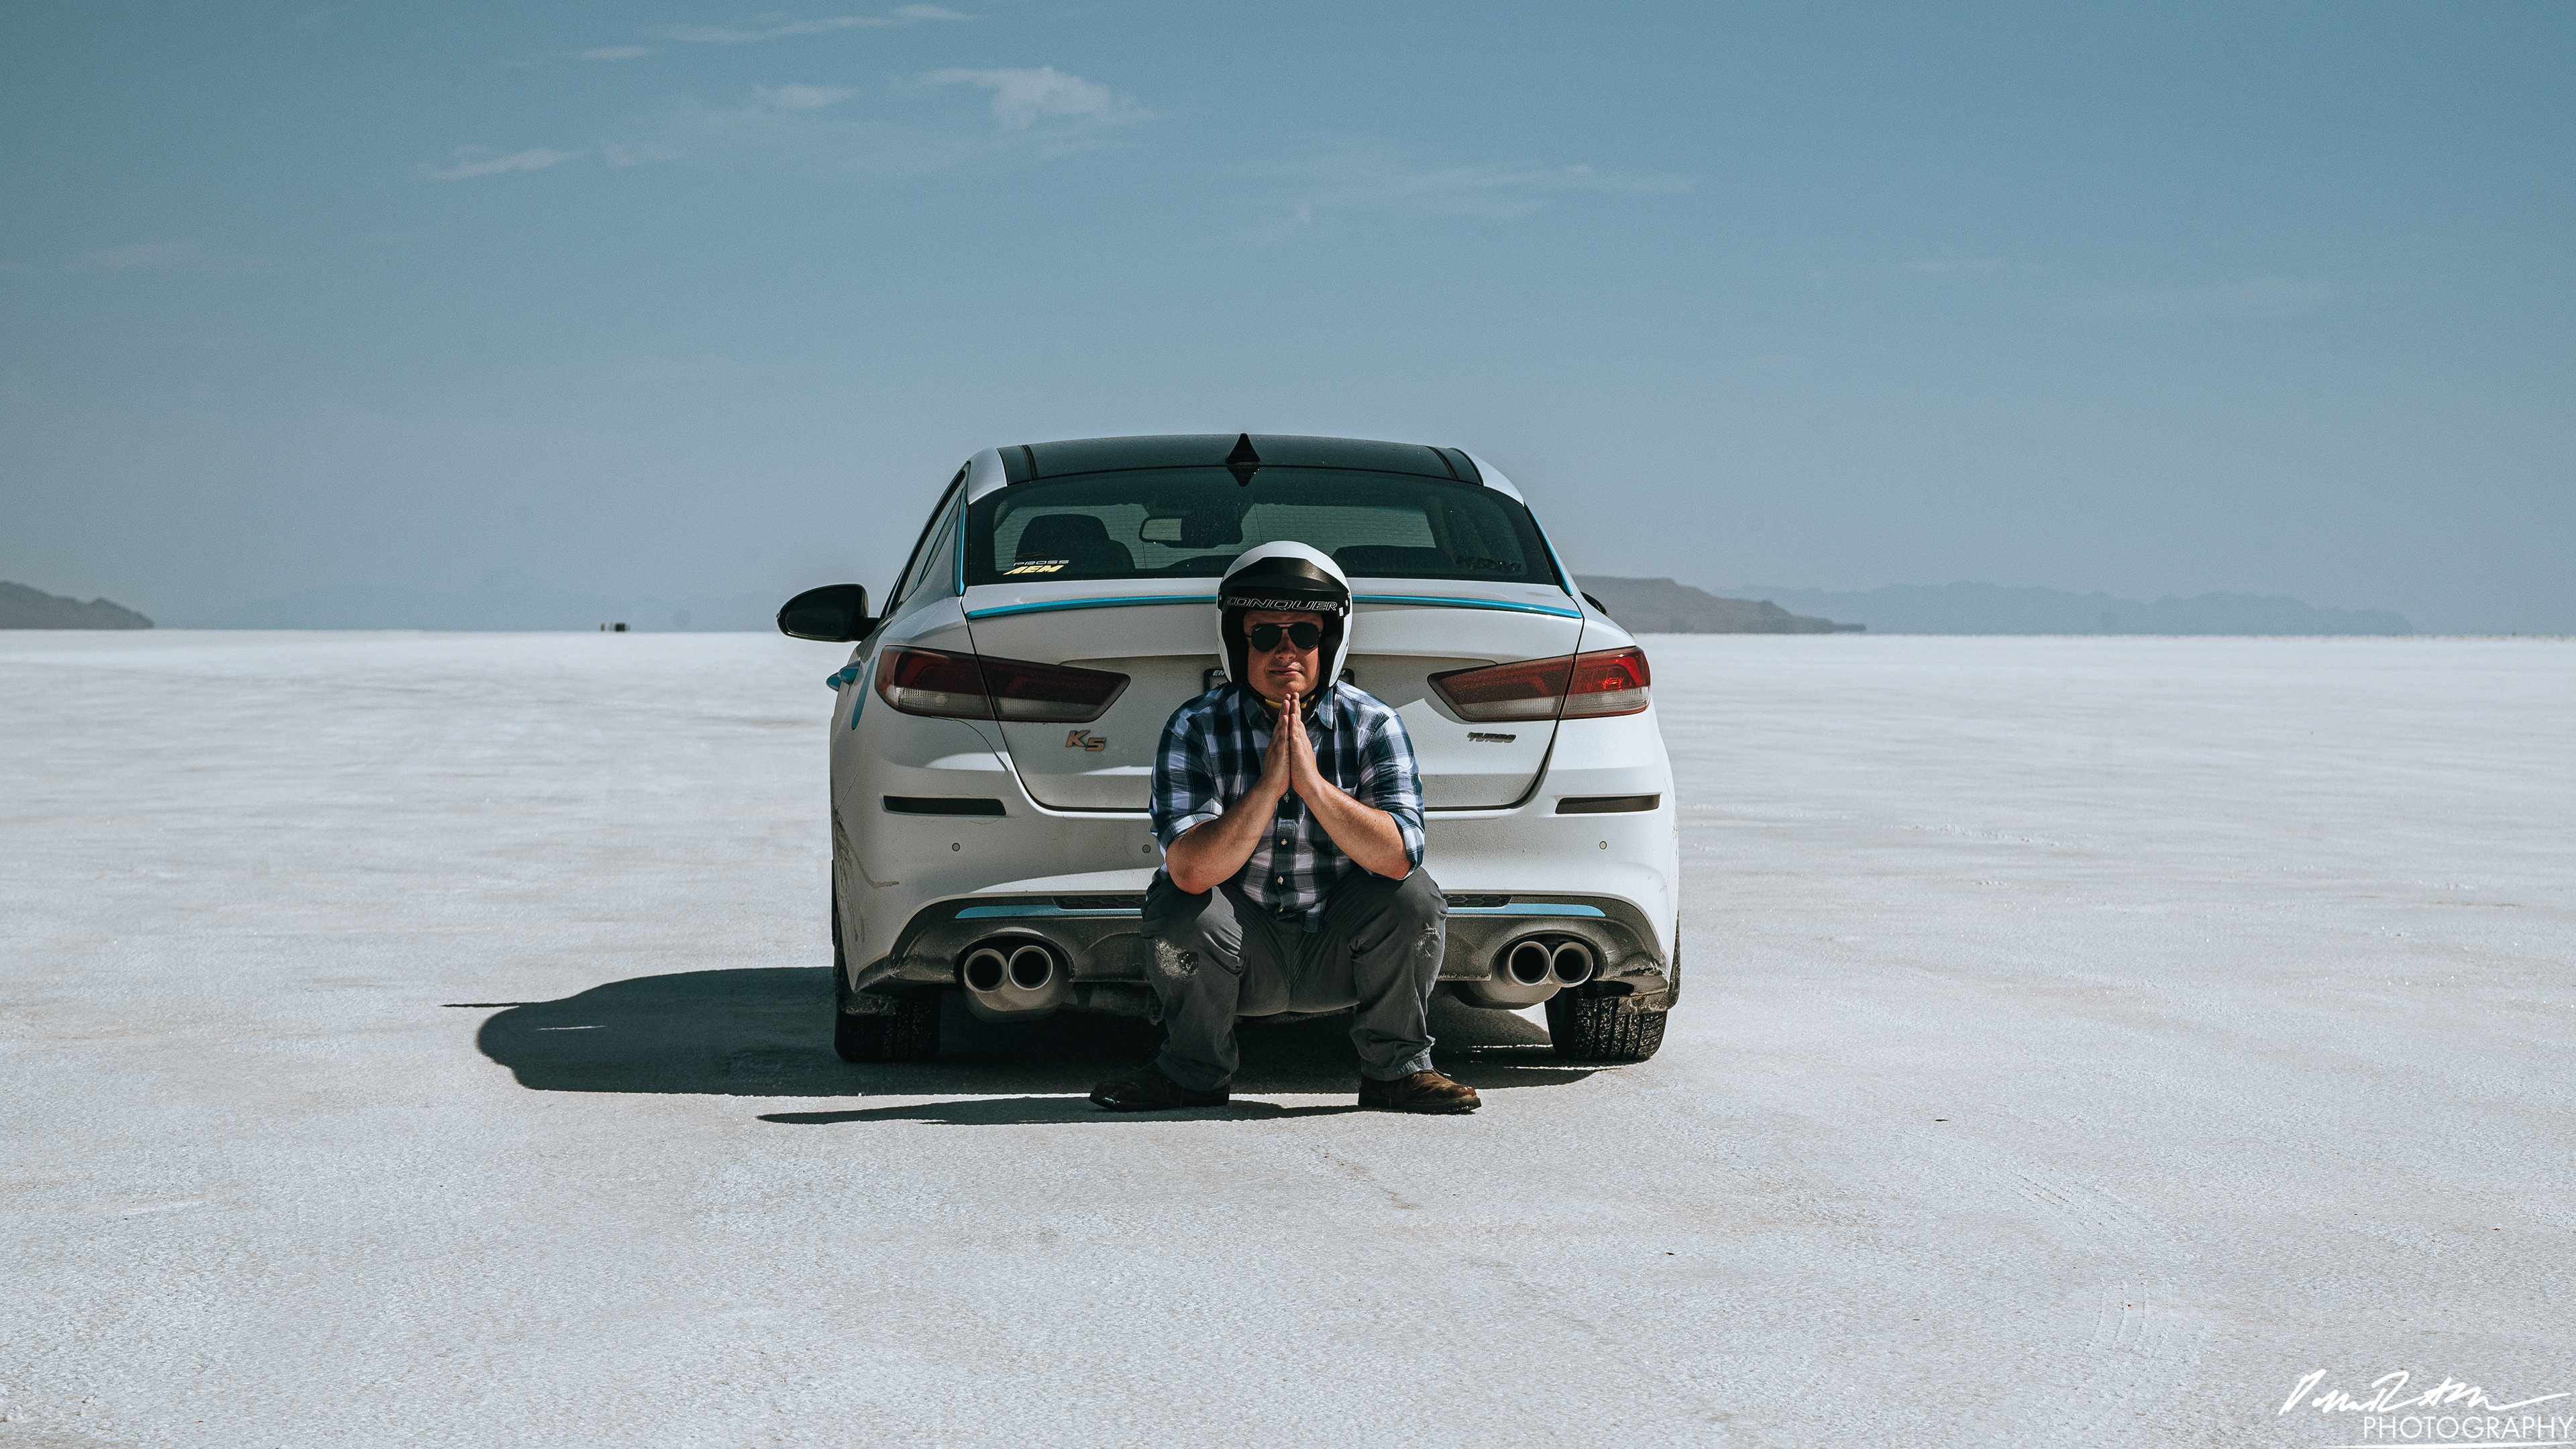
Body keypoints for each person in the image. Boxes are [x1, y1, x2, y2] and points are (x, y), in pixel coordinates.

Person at [1089, 543, 1480, 1114]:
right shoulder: (1195, 726)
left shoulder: (1373, 724)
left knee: (1414, 896)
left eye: (1304, 634)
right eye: (1265, 636)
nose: (1286, 652)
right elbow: (1192, 868)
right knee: (1176, 901)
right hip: (1243, 949)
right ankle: (1193, 1072)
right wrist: (1269, 787)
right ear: (1236, 643)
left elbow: (1399, 856)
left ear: (1330, 643)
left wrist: (1314, 786)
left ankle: (1397, 1072)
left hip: (1339, 945)